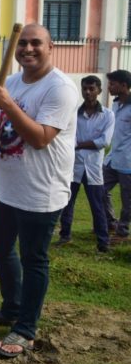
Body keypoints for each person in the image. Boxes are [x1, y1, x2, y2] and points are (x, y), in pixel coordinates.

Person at [0, 23, 79, 359]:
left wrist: (8, 104)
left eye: (36, 43)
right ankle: (11, 308)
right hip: (5, 187)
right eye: (22, 44)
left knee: (34, 259)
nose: (27, 49)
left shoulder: (60, 89)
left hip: (40, 192)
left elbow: (40, 138)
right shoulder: (12, 82)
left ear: (50, 47)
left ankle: (26, 330)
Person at [57, 76, 114, 252]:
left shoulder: (107, 115)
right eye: (85, 89)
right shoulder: (74, 113)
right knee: (67, 203)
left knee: (98, 206)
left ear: (99, 91)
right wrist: (82, 144)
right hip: (73, 166)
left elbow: (104, 141)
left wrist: (79, 144)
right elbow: (69, 137)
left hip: (93, 169)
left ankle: (103, 242)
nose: (88, 92)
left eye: (91, 89)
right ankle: (65, 235)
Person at [103, 69, 131, 242]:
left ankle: (123, 232)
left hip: (128, 162)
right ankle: (111, 222)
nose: (109, 87)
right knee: (99, 189)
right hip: (112, 158)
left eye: (112, 84)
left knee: (127, 199)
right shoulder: (115, 104)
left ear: (124, 85)